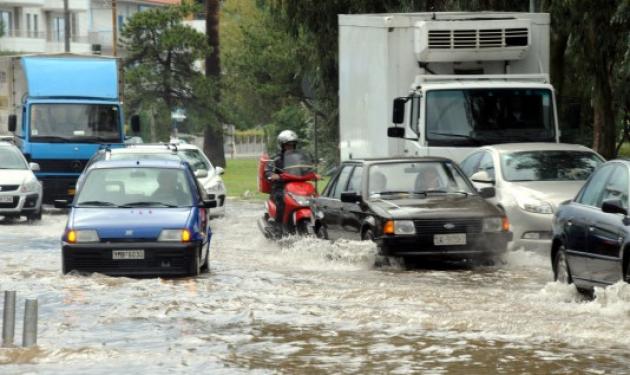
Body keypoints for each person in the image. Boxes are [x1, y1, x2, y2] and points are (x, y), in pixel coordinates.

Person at [264, 130, 299, 234]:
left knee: (312, 197)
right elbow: (268, 171)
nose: (290, 147)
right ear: (282, 146)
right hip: (280, 187)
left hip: (296, 187)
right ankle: (278, 226)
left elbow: (306, 168)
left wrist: (313, 172)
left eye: (293, 145)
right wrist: (272, 175)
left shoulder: (298, 158)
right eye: (288, 145)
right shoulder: (276, 159)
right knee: (281, 200)